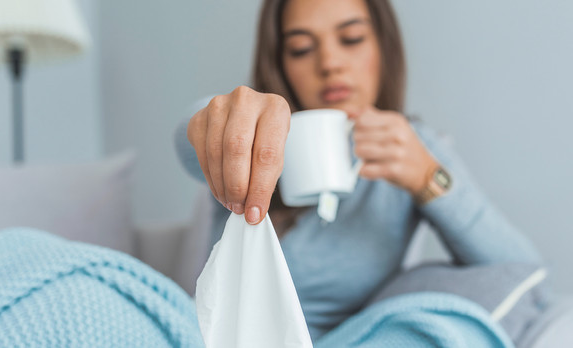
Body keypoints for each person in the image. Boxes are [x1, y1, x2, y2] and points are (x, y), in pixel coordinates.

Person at [175, 0, 548, 341]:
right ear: (282, 65)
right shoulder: (258, 136)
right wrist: (224, 121)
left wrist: (426, 178)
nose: (330, 63)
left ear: (383, 47)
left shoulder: (411, 147)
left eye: (351, 39)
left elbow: (520, 271)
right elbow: (191, 138)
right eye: (302, 49)